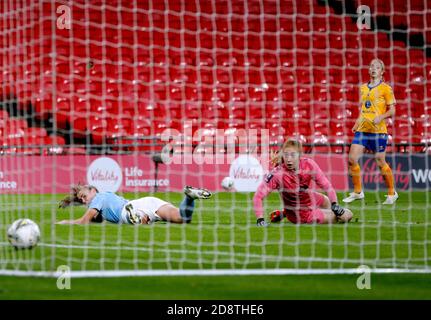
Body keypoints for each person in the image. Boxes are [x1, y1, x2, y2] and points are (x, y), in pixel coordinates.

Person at [253, 138, 353, 226]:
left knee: (327, 201)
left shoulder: (309, 165)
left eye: (292, 155)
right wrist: (260, 219)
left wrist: (335, 204)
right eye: (286, 155)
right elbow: (258, 196)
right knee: (346, 216)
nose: (288, 159)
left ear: (299, 155)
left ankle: (284, 213)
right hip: (301, 214)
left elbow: (327, 186)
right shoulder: (277, 174)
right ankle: (289, 213)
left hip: (308, 198)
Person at [343, 58, 398, 204]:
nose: (373, 69)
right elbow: (364, 110)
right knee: (352, 159)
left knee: (380, 161)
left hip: (378, 131)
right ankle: (357, 191)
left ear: (382, 71)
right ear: (369, 70)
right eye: (371, 66)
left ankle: (392, 193)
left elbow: (392, 110)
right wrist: (357, 122)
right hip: (362, 130)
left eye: (377, 67)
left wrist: (381, 117)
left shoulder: (386, 88)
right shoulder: (363, 88)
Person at [56, 184, 212, 225]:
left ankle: (135, 217)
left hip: (128, 209)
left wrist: (66, 222)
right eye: (81, 200)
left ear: (93, 190)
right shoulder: (106, 196)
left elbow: (84, 221)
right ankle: (189, 197)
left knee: (137, 220)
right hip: (148, 201)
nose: (84, 201)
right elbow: (97, 219)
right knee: (183, 218)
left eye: (84, 196)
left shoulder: (98, 198)